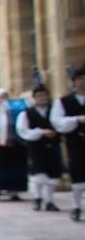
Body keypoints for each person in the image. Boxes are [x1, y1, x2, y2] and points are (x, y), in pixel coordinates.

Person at [15, 86, 63, 212]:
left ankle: (49, 200)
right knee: (39, 174)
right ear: (34, 98)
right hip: (36, 147)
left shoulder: (54, 110)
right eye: (39, 96)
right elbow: (22, 130)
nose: (42, 98)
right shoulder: (27, 113)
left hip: (52, 145)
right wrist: (41, 133)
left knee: (53, 174)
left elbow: (60, 124)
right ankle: (38, 198)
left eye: (44, 95)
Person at [51, 66, 85, 221]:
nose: (83, 83)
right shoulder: (64, 102)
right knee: (78, 174)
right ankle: (77, 206)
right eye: (80, 79)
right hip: (76, 143)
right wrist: (76, 120)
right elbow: (57, 122)